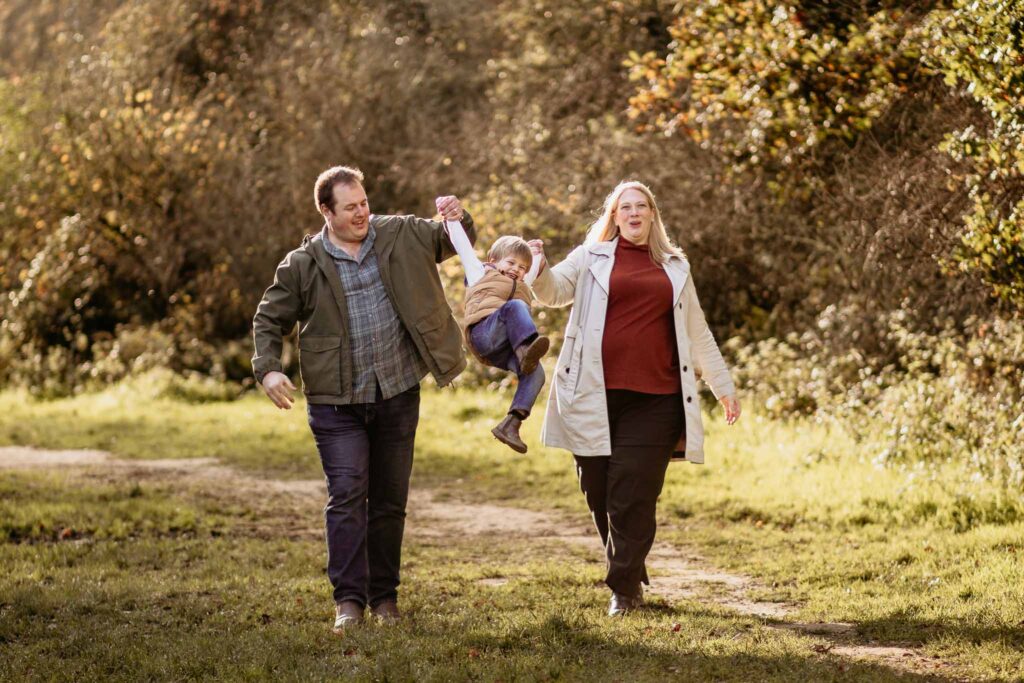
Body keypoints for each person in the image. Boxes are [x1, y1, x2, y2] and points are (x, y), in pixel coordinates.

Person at [251, 165, 474, 634]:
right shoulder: (303, 264)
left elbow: (452, 240)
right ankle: (348, 602)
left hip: (396, 391)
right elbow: (268, 319)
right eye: (350, 207)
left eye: (364, 203)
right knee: (349, 494)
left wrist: (459, 217)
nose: (362, 213)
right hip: (336, 402)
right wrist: (269, 368)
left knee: (390, 500)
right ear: (326, 211)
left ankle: (384, 598)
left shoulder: (401, 234)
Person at [529, 180, 741, 617]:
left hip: (657, 398)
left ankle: (623, 590)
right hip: (593, 394)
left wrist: (723, 386)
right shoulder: (591, 258)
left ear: (652, 214)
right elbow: (552, 293)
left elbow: (697, 331)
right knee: (600, 491)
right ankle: (629, 570)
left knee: (632, 493)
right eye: (625, 207)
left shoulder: (675, 266)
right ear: (613, 216)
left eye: (641, 205)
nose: (633, 213)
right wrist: (537, 267)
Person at [443, 216, 549, 453]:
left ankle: (511, 425)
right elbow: (463, 247)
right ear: (493, 260)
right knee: (515, 308)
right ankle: (525, 352)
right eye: (511, 263)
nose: (516, 270)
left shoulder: (522, 285)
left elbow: (532, 267)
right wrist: (450, 218)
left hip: (504, 348)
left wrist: (537, 253)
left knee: (537, 373)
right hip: (484, 333)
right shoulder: (479, 272)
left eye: (522, 268)